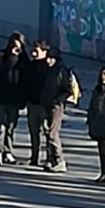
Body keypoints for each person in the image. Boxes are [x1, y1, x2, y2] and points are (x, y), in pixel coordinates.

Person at [25, 39, 70, 171]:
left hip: (55, 106)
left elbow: (67, 90)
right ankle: (52, 160)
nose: (48, 61)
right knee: (48, 133)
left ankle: (59, 160)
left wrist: (57, 100)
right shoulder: (50, 70)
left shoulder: (60, 71)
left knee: (52, 133)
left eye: (51, 59)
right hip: (46, 104)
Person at [0, 33, 29, 163]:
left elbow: (25, 76)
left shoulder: (24, 58)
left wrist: (23, 98)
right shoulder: (1, 55)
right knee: (0, 126)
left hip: (15, 98)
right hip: (2, 96)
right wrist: (13, 56)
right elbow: (3, 68)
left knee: (10, 127)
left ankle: (8, 151)